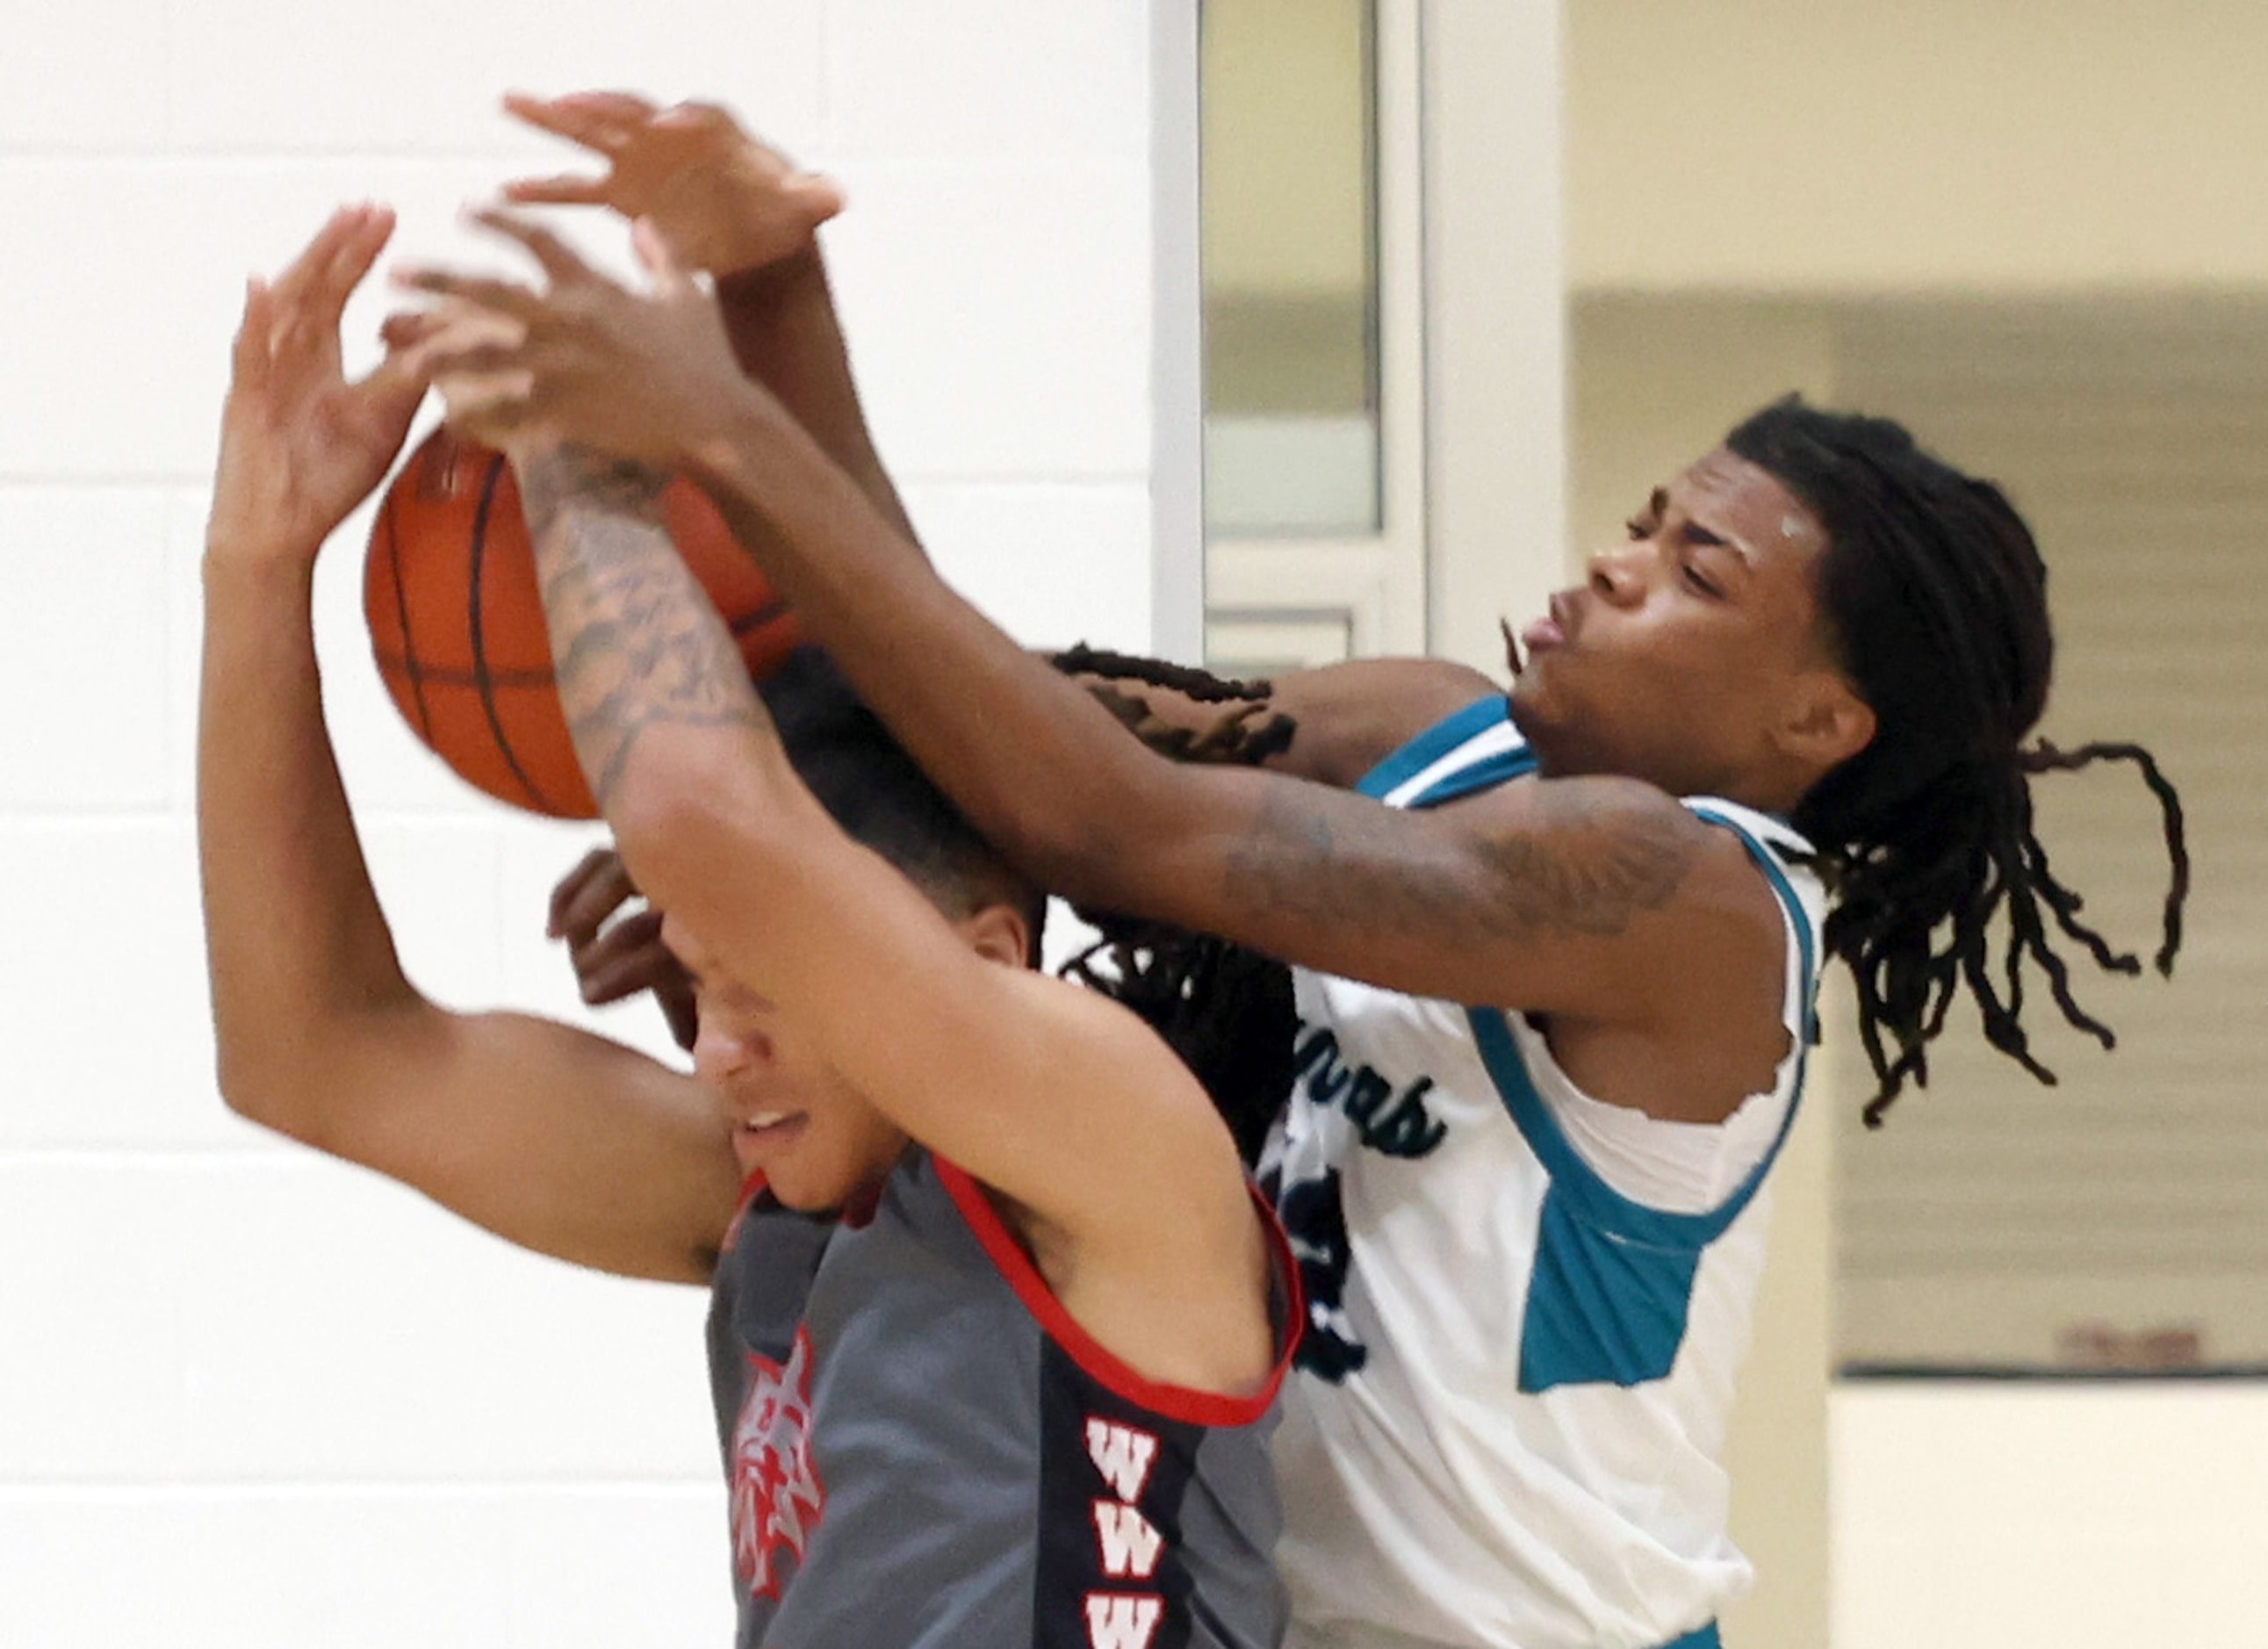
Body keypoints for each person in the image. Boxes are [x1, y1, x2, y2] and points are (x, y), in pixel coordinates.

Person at [202, 202, 1299, 1649]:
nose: (719, 1051)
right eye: (704, 986)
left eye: (771, 990)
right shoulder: (775, 1205)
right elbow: (310, 1052)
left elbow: (701, 810)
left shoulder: (1122, 1157)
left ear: (988, 962)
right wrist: (253, 565)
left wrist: (581, 453)